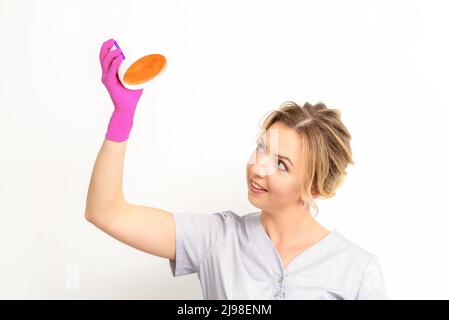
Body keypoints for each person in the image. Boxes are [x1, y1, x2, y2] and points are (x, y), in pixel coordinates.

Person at [85, 38, 388, 300]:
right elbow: (106, 212)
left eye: (281, 164)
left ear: (315, 188)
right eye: (261, 148)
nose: (258, 168)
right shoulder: (216, 239)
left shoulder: (358, 271)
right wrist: (122, 117)